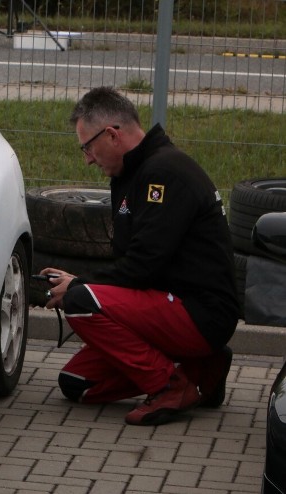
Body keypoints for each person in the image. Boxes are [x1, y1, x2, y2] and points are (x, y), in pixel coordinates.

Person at [41, 86, 239, 426]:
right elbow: (136, 263)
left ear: (113, 135)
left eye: (87, 146)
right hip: (164, 302)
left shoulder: (164, 173)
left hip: (200, 312)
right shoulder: (134, 172)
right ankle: (201, 368)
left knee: (80, 301)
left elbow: (143, 266)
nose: (87, 158)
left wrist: (82, 285)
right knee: (77, 384)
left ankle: (171, 385)